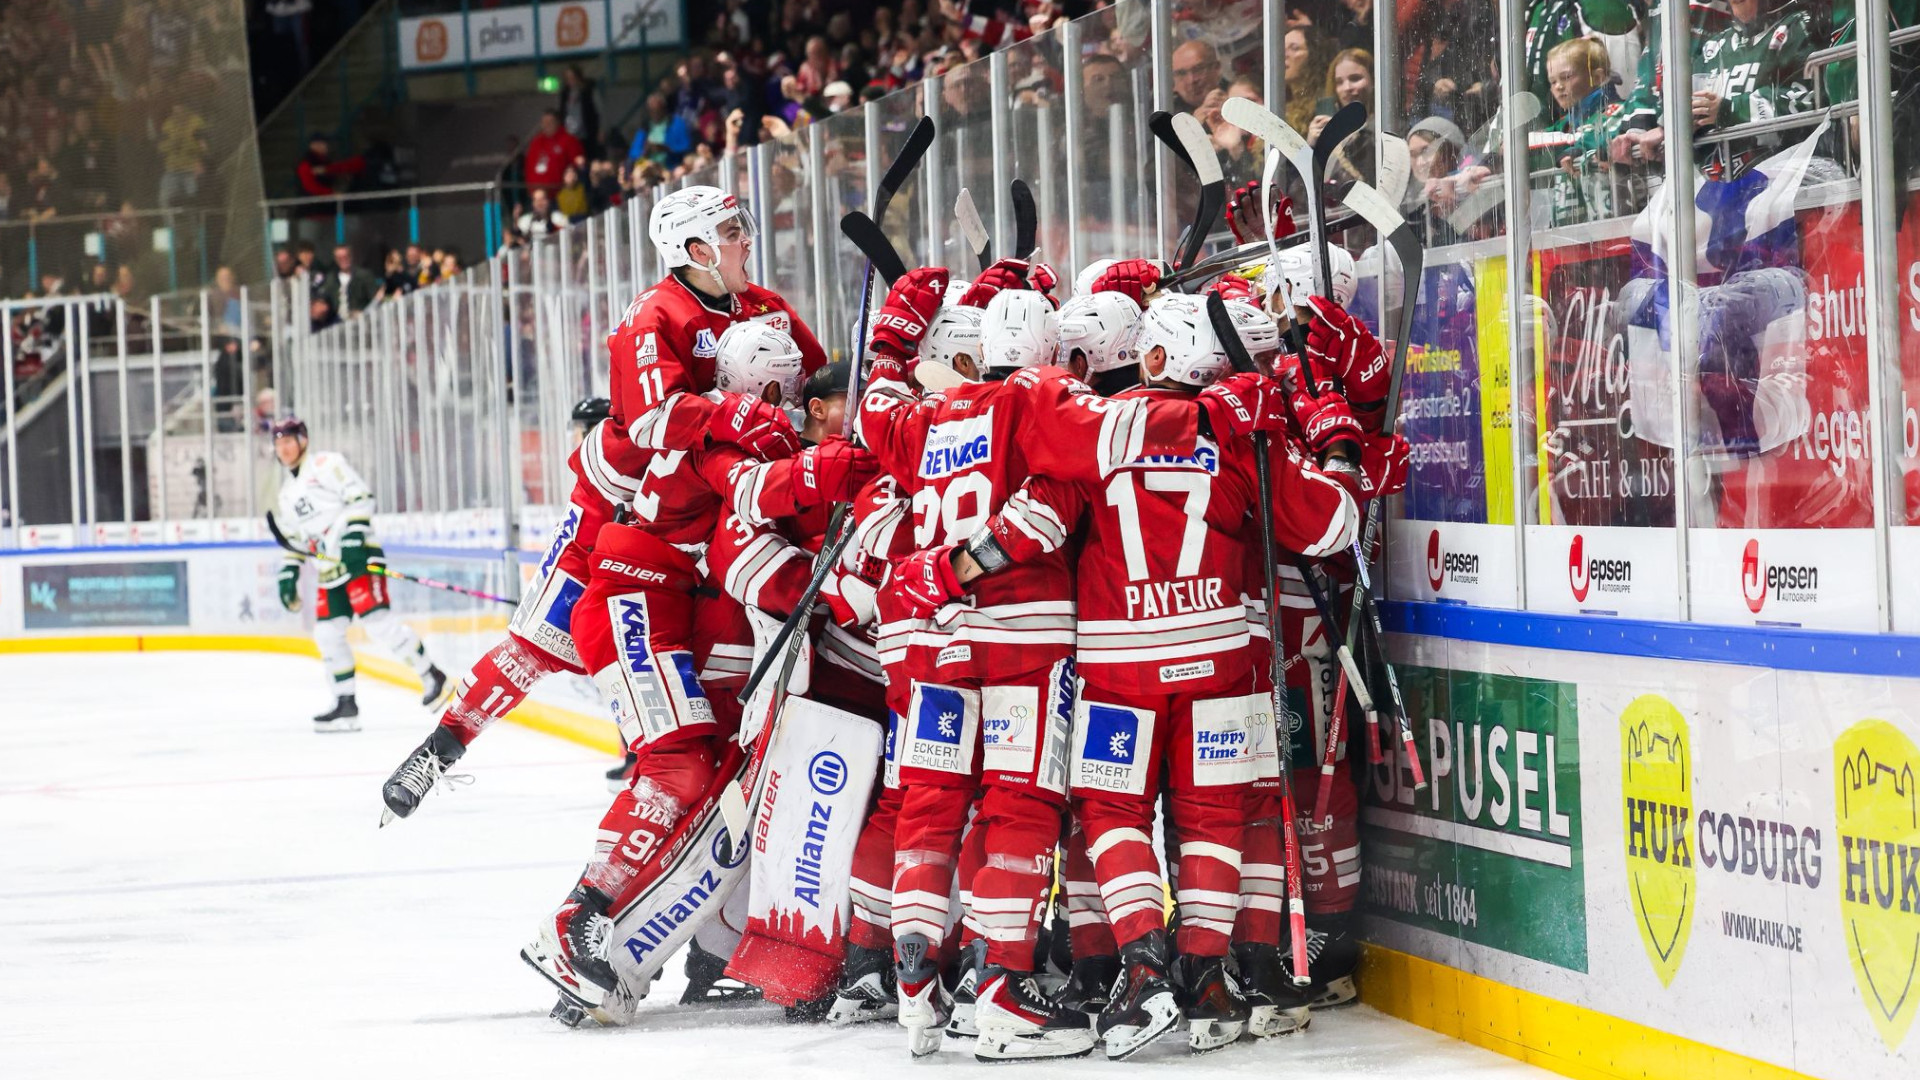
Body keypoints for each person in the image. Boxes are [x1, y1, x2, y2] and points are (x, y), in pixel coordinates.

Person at [855, 261, 1293, 1061]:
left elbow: (873, 409)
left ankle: (918, 989)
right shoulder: (1037, 400)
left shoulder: (919, 419)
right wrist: (1235, 407)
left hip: (937, 646)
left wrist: (888, 342)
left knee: (928, 810)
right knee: (1020, 810)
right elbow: (1093, 462)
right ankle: (1005, 990)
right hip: (1026, 640)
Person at [519, 186, 840, 1020]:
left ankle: (649, 948)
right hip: (640, 583)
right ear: (693, 249)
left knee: (719, 771)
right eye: (730, 232)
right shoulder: (650, 320)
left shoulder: (758, 307)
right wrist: (772, 434)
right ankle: (579, 920)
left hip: (693, 584)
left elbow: (825, 388)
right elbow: (661, 422)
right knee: (681, 766)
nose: (745, 241)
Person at [269, 416, 447, 731]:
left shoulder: (326, 464)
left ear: (303, 440)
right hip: (329, 569)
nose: (283, 448)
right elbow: (296, 541)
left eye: (288, 441)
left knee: (377, 623)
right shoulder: (286, 494)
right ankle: (345, 704)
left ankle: (431, 674)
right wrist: (289, 573)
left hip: (358, 556)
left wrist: (353, 537)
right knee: (327, 633)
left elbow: (360, 497)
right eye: (278, 443)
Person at [1691, 0, 1815, 180]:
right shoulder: (1713, 48)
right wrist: (1688, 124)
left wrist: (1729, 109)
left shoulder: (1797, 27)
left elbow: (1808, 101)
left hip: (1783, 188)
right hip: (1717, 195)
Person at [525, 110, 585, 196]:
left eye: (550, 122)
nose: (546, 125)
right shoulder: (536, 142)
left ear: (557, 123)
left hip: (560, 196)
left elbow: (578, 166)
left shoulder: (569, 141)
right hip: (536, 195)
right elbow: (529, 165)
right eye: (544, 122)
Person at [325, 244, 378, 316]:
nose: (343, 260)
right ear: (335, 259)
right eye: (339, 258)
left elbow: (374, 299)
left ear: (350, 257)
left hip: (360, 319)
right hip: (337, 323)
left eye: (345, 257)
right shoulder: (330, 279)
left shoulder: (364, 276)